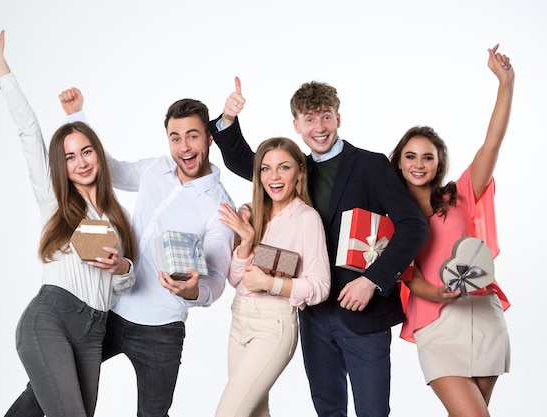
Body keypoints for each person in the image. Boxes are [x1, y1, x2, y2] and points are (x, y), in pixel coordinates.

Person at [2, 67, 236, 417]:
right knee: (45, 389)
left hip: (162, 329)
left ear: (209, 139)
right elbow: (105, 167)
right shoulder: (156, 169)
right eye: (175, 137)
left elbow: (216, 279)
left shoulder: (220, 207)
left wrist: (193, 292)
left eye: (192, 136)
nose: (183, 147)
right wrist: (77, 117)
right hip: (110, 313)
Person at [210, 77, 429, 416]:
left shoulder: (370, 165)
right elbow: (249, 163)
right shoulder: (298, 169)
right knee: (327, 409)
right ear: (297, 125)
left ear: (338, 119)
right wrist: (227, 120)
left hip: (363, 314)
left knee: (372, 411)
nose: (319, 126)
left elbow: (413, 225)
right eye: (309, 119)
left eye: (326, 116)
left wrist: (372, 279)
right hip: (314, 315)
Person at [0, 30, 138, 417]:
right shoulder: (55, 202)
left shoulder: (119, 218)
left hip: (93, 331)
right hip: (51, 317)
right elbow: (30, 134)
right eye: (69, 157)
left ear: (98, 155)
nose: (80, 162)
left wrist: (122, 267)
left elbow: (124, 282)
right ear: (60, 166)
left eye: (86, 152)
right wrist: (1, 66)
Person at [391, 44, 513, 417]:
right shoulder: (390, 214)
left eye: (428, 156)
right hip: (436, 321)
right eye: (411, 155)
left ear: (439, 162)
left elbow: (491, 145)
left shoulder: (459, 194)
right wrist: (435, 293)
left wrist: (505, 84)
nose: (419, 163)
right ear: (398, 161)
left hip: (483, 315)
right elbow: (404, 273)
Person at [215, 137, 331, 416]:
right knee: (254, 412)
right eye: (266, 169)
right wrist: (245, 243)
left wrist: (271, 284)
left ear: (300, 172)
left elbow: (321, 286)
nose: (274, 177)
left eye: (284, 167)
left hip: (273, 326)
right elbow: (236, 281)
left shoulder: (307, 218)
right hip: (239, 321)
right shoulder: (253, 214)